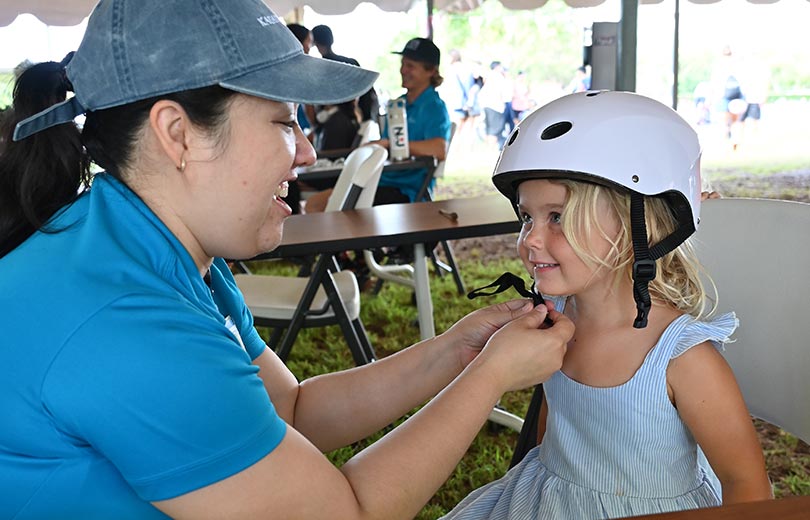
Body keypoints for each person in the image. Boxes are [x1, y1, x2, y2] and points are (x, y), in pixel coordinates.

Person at [0, 0, 575, 518]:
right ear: (177, 134)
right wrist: (491, 376)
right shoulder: (126, 318)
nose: (304, 149)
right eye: (283, 121)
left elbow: (293, 410)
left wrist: (458, 349)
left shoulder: (163, 252)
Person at [441, 91, 772, 520]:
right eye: (527, 217)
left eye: (557, 217)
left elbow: (745, 482)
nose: (531, 239)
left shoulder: (681, 359)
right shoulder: (552, 320)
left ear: (640, 226)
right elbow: (551, 438)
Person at [306, 37, 451, 212]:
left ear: (431, 71)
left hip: (404, 190)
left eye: (410, 66)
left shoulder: (434, 107)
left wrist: (392, 144)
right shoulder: (399, 104)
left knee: (319, 206)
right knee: (316, 203)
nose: (403, 70)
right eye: (403, 64)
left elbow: (438, 149)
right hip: (379, 181)